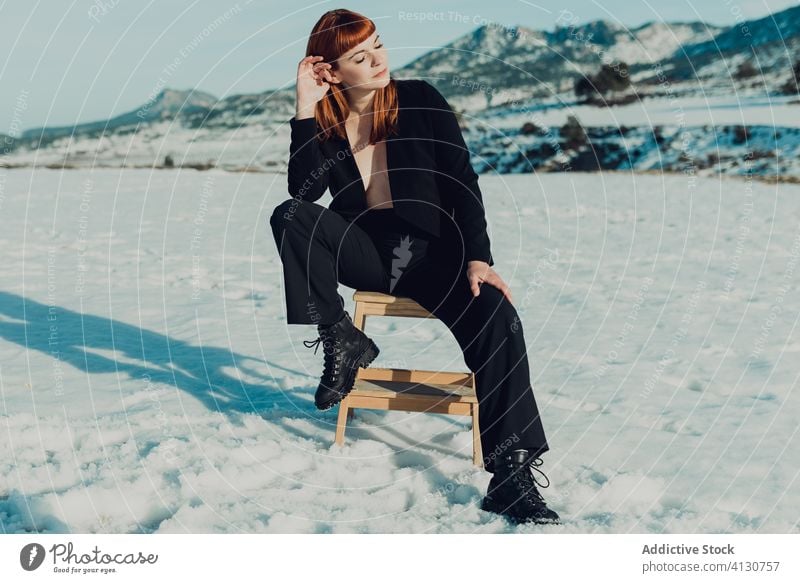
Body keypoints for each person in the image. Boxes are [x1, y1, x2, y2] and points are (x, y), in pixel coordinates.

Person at [270, 8, 561, 525]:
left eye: (378, 45)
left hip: (431, 251)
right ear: (332, 71)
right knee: (290, 216)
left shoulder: (421, 98)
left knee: (496, 315)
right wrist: (304, 108)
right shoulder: (328, 121)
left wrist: (478, 257)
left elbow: (462, 181)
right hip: (363, 248)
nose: (379, 60)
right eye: (360, 56)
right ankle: (341, 337)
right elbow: (305, 191)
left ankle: (512, 478)